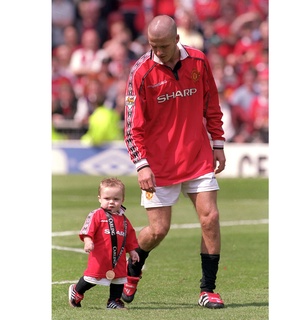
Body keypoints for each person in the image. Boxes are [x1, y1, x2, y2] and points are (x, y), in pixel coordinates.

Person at [122, 15, 226, 309]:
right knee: (157, 231)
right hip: (159, 165)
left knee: (211, 218)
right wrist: (141, 164)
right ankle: (133, 267)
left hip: (197, 157)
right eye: (153, 45)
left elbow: (212, 104)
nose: (158, 51)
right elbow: (131, 127)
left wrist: (217, 143)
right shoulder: (140, 71)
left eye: (164, 45)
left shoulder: (199, 61)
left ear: (177, 39)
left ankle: (208, 289)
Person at [68, 177, 140, 309]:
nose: (111, 202)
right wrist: (88, 241)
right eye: (107, 199)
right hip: (100, 257)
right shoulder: (96, 215)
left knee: (119, 279)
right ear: (99, 198)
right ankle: (77, 291)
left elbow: (129, 237)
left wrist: (133, 251)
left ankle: (114, 300)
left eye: (116, 199)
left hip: (119, 258)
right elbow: (87, 230)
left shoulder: (124, 220)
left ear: (122, 200)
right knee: (92, 278)